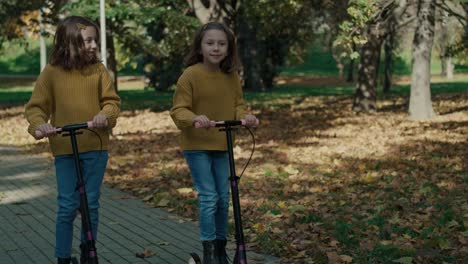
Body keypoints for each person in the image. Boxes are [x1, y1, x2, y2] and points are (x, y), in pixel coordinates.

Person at [24, 16, 120, 264]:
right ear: (69, 43)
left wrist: (104, 115)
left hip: (95, 146)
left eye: (94, 40)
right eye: (87, 40)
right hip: (65, 148)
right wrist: (39, 126)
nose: (93, 45)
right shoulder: (52, 73)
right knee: (67, 205)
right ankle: (63, 257)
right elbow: (36, 107)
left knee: (90, 203)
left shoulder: (99, 70)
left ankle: (89, 251)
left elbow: (112, 102)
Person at [170, 21, 257, 264]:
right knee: (208, 197)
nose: (216, 48)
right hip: (197, 145)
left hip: (222, 144)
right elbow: (178, 110)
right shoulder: (190, 75)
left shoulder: (231, 77)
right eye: (210, 43)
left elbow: (238, 104)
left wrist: (245, 116)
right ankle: (208, 252)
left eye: (221, 44)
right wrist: (195, 118)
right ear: (200, 47)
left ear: (229, 49)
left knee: (223, 197)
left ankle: (221, 249)